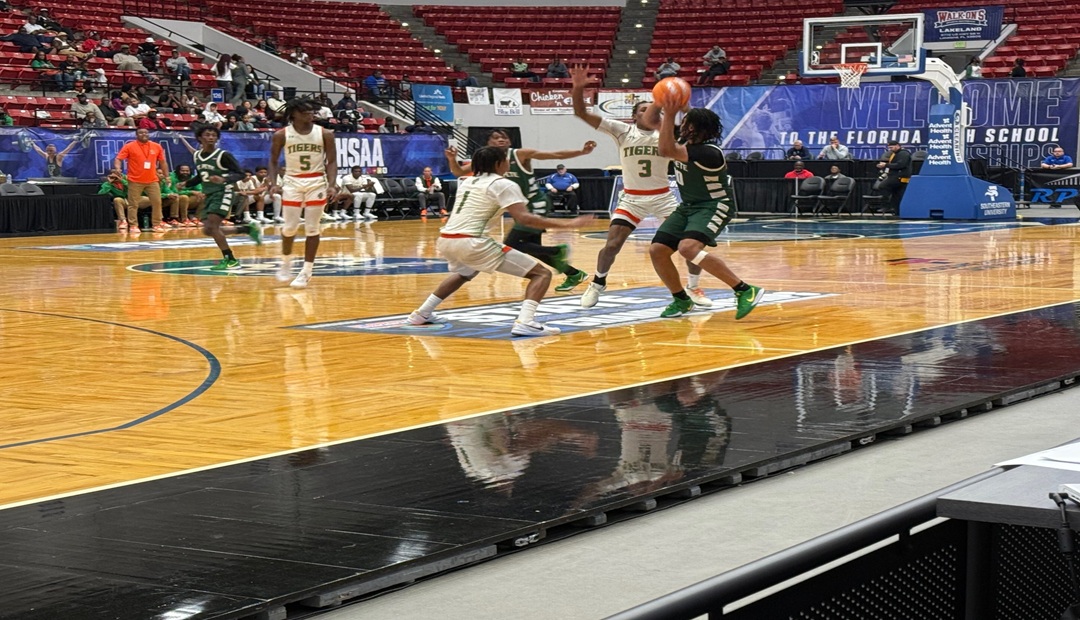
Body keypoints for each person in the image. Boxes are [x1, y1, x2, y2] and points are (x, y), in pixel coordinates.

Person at [405, 146, 594, 336]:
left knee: (464, 273)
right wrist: (570, 223)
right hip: (472, 242)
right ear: (498, 164)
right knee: (541, 274)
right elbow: (525, 219)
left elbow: (459, 174)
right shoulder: (503, 184)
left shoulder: (468, 181)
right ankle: (526, 322)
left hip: (446, 239)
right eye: (506, 160)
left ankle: (421, 313)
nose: (509, 162)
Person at [569, 66, 710, 308]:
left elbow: (697, 124)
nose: (649, 112)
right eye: (643, 109)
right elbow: (581, 112)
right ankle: (597, 283)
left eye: (652, 108)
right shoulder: (622, 130)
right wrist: (578, 88)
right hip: (632, 198)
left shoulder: (668, 133)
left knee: (691, 244)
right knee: (612, 244)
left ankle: (693, 285)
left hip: (663, 197)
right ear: (634, 116)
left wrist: (680, 103)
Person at [647, 101, 763, 320]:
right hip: (688, 206)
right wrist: (661, 98)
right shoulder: (684, 140)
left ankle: (744, 289)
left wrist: (671, 112)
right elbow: (651, 121)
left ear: (691, 128)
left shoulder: (708, 152)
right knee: (657, 250)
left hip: (714, 204)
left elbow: (665, 149)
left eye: (685, 122)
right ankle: (681, 299)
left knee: (688, 247)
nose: (680, 124)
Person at [445, 129, 595, 292]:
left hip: (535, 204)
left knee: (512, 244)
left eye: (504, 137)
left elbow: (554, 154)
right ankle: (573, 274)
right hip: (519, 207)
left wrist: (581, 151)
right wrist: (452, 159)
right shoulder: (487, 161)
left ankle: (556, 250)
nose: (501, 140)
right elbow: (459, 172)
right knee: (533, 248)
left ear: (510, 142)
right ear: (488, 143)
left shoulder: (520, 154)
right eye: (495, 138)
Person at [267, 98, 338, 288]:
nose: (310, 114)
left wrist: (332, 184)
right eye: (306, 111)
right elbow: (273, 161)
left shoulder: (325, 134)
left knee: (312, 228)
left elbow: (331, 162)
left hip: (316, 181)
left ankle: (307, 271)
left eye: (312, 111)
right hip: (292, 181)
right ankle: (286, 261)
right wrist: (273, 183)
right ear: (294, 114)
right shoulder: (281, 135)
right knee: (289, 227)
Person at [183, 126, 262, 269]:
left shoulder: (223, 155)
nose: (211, 137)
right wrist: (186, 184)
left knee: (213, 227)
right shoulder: (197, 156)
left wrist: (223, 178)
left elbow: (240, 174)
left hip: (224, 192)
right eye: (207, 135)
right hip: (209, 194)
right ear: (200, 138)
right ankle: (247, 230)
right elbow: (202, 176)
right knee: (208, 230)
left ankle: (231, 259)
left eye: (214, 135)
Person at [113, 128, 169, 234]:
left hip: (152, 179)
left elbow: (162, 162)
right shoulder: (129, 146)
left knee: (157, 202)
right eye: (141, 132)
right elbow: (118, 158)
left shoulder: (156, 146)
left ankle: (156, 224)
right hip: (135, 180)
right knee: (133, 204)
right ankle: (133, 225)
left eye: (146, 132)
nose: (144, 134)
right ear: (136, 135)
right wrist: (118, 169)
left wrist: (167, 176)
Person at [875, 140, 912, 214]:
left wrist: (886, 165)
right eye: (889, 147)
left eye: (892, 147)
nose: (890, 149)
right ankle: (897, 211)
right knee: (897, 195)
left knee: (883, 186)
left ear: (898, 145)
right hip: (895, 176)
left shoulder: (903, 153)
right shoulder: (895, 154)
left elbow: (900, 165)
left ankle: (887, 205)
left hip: (899, 177)